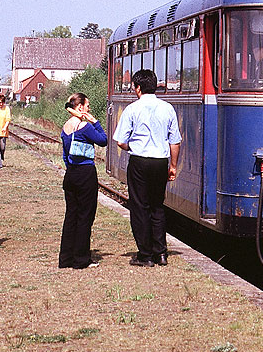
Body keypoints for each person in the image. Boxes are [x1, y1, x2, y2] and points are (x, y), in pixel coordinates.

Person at [112, 69, 182, 267]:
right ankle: (161, 253)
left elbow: (120, 141)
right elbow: (175, 141)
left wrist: (133, 146)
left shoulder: (132, 109)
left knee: (140, 207)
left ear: (138, 87)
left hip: (140, 161)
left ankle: (145, 255)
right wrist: (173, 167)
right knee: (157, 206)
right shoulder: (168, 108)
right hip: (160, 162)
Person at [59, 92, 107, 270]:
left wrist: (70, 167)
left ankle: (65, 258)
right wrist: (96, 122)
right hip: (86, 173)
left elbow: (65, 154)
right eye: (87, 106)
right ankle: (81, 259)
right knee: (85, 216)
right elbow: (103, 140)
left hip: (71, 173)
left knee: (71, 215)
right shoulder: (85, 126)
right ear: (80, 108)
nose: (89, 108)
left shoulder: (65, 127)